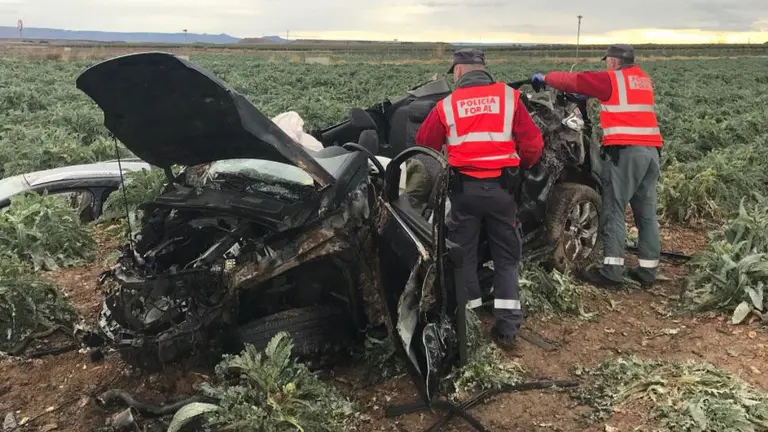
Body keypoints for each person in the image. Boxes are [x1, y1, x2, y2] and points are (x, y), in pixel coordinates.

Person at [415, 48, 543, 350]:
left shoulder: (447, 106)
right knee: (506, 259)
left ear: (459, 72)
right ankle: (508, 328)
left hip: (465, 195)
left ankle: (468, 325)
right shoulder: (509, 97)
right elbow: (534, 144)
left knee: (464, 258)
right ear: (483, 68)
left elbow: (424, 146)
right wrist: (517, 169)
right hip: (502, 193)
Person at [531, 43, 663, 288]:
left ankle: (612, 272)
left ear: (613, 61)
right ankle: (647, 271)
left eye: (607, 62)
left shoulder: (613, 79)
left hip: (626, 153)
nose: (606, 65)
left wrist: (546, 77)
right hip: (651, 152)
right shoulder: (642, 79)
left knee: (613, 209)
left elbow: (578, 81)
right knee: (646, 213)